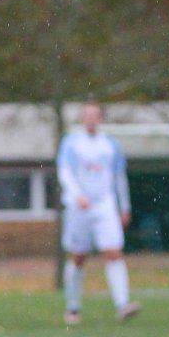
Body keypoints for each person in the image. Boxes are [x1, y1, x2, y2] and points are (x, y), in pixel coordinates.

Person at [57, 102, 140, 324]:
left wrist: (125, 206)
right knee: (78, 257)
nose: (91, 119)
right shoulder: (71, 143)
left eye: (95, 115)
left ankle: (122, 304)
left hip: (105, 205)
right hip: (79, 207)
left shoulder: (110, 145)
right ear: (82, 119)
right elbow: (64, 172)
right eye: (87, 116)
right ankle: (73, 307)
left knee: (113, 252)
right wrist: (77, 195)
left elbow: (119, 178)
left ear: (100, 118)